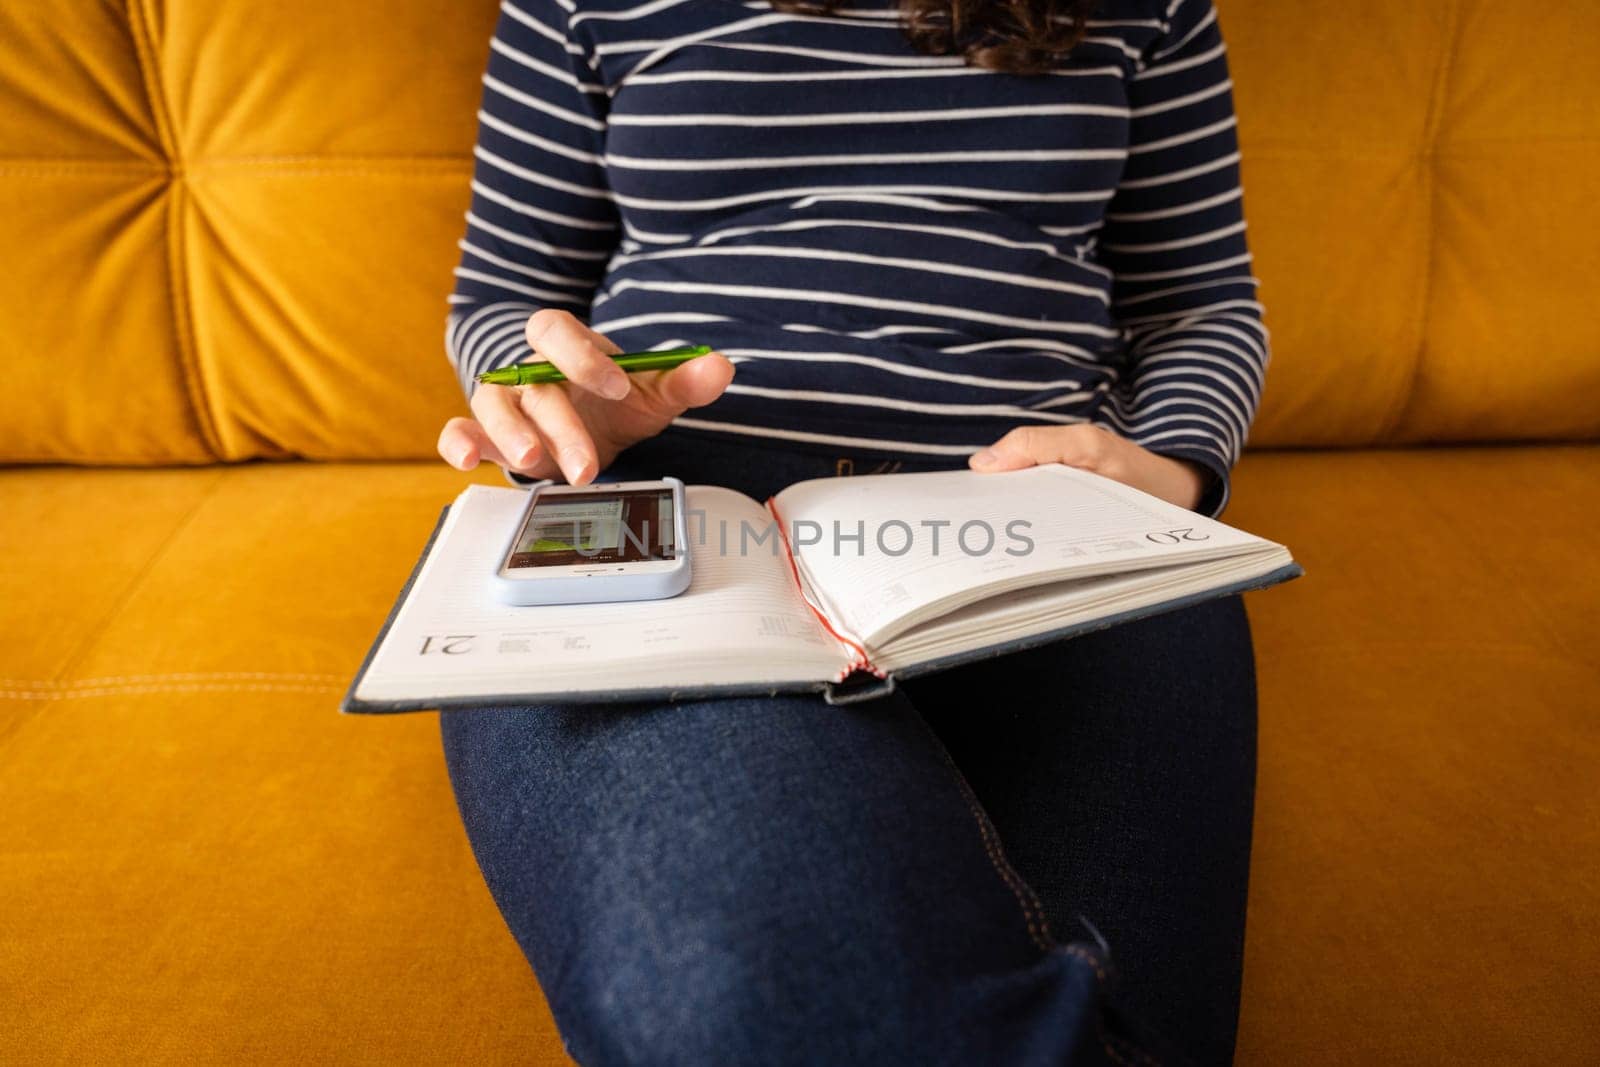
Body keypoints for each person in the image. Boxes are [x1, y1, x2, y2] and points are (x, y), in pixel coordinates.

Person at [434, 0, 1267, 1062]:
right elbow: (509, 290)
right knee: (736, 1002)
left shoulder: (1152, 11)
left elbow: (1197, 300)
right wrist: (548, 393)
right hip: (672, 496)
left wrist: (1177, 466)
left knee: (1141, 1033)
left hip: (1051, 519)